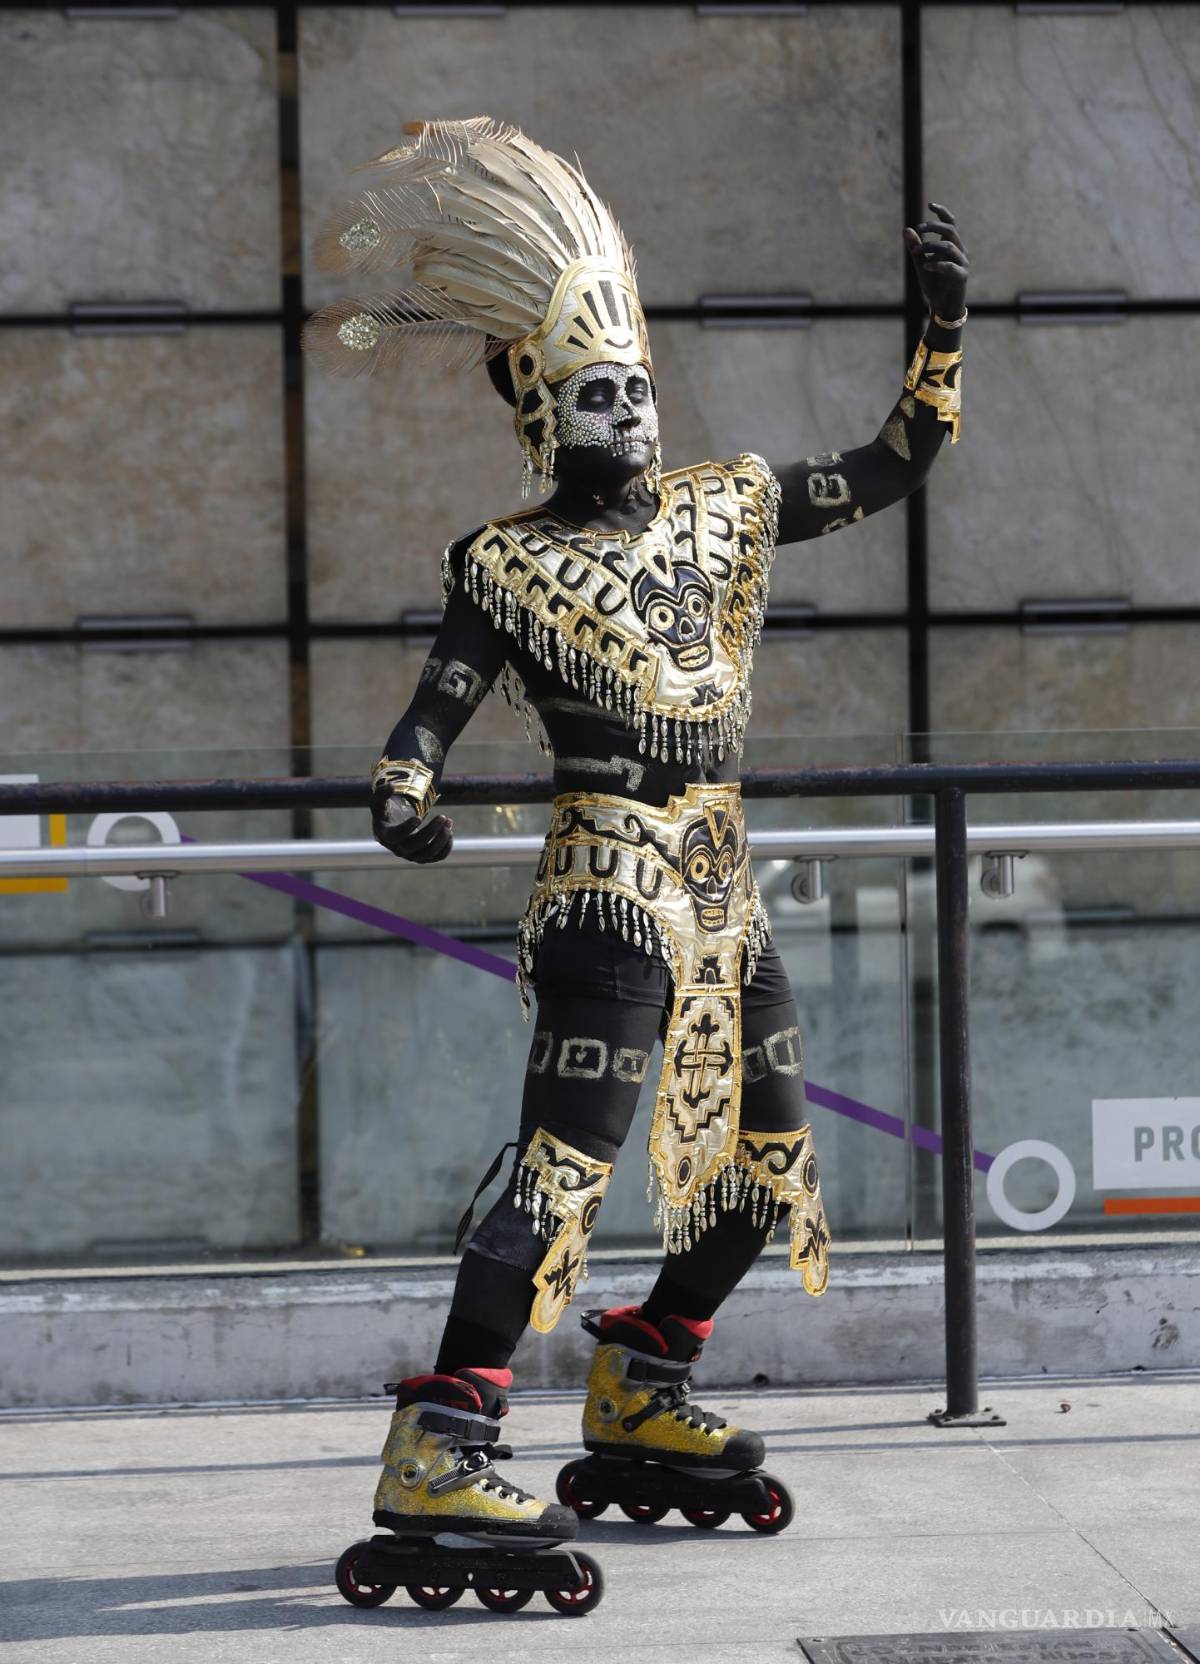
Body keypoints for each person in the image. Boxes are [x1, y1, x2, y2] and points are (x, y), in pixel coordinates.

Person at [306, 117, 967, 1545]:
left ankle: (643, 1370)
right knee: (563, 1165)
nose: (631, 417)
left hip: (726, 890)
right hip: (604, 889)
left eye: (640, 390)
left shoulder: (725, 512)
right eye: (600, 395)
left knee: (764, 1164)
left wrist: (943, 334)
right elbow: (437, 707)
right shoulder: (507, 558)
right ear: (541, 408)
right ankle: (443, 1431)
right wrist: (404, 786)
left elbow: (899, 461)